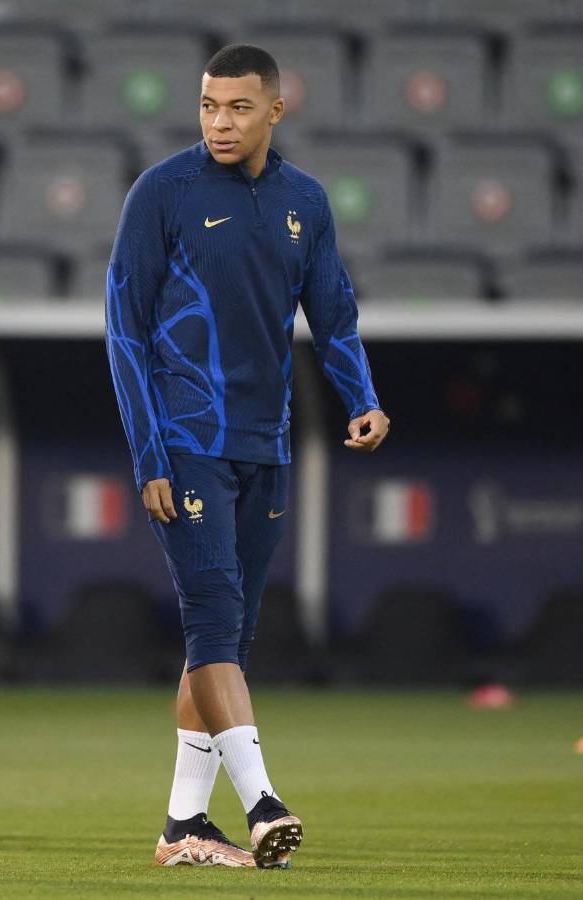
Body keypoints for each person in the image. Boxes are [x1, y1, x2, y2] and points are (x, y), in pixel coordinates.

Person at [106, 44, 390, 870]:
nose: (219, 123)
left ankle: (182, 826)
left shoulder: (306, 200)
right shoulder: (163, 191)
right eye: (207, 106)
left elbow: (333, 313)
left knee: (225, 637)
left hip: (267, 443)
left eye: (236, 107)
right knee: (212, 619)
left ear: (275, 110)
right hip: (186, 441)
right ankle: (263, 802)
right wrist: (149, 453)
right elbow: (124, 330)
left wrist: (363, 397)